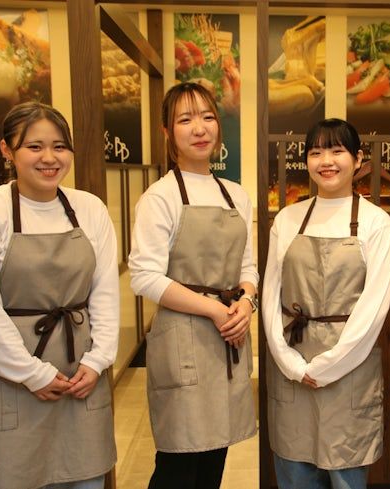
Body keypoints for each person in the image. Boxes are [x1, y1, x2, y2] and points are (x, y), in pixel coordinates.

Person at [0, 101, 119, 489]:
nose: (49, 158)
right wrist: (32, 373)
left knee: (84, 478)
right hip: (7, 379)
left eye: (60, 146)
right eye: (34, 147)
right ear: (7, 150)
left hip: (80, 376)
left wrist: (97, 361)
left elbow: (105, 292)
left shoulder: (89, 208)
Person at [129, 82, 258, 489]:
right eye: (185, 119)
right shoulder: (160, 197)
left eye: (207, 117)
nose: (199, 128)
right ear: (168, 132)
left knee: (214, 457)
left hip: (227, 339)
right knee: (179, 463)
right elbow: (145, 276)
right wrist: (216, 309)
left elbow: (248, 266)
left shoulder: (236, 195)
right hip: (183, 338)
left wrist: (246, 303)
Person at [262, 118, 390, 489]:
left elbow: (374, 308)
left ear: (358, 159)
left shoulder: (376, 222)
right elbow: (271, 295)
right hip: (292, 364)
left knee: (346, 477)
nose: (326, 161)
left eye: (337, 151)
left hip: (349, 368)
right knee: (294, 474)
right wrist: (290, 363)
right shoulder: (287, 219)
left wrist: (328, 366)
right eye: (316, 152)